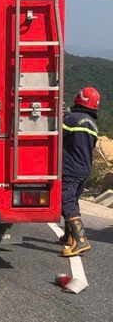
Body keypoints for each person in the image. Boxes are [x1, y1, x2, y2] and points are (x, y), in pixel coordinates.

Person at [60, 87, 100, 257]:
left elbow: (56, 135)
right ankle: (69, 237)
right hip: (84, 169)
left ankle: (81, 241)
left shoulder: (70, 120)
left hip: (70, 169)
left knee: (65, 200)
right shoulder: (93, 124)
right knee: (73, 200)